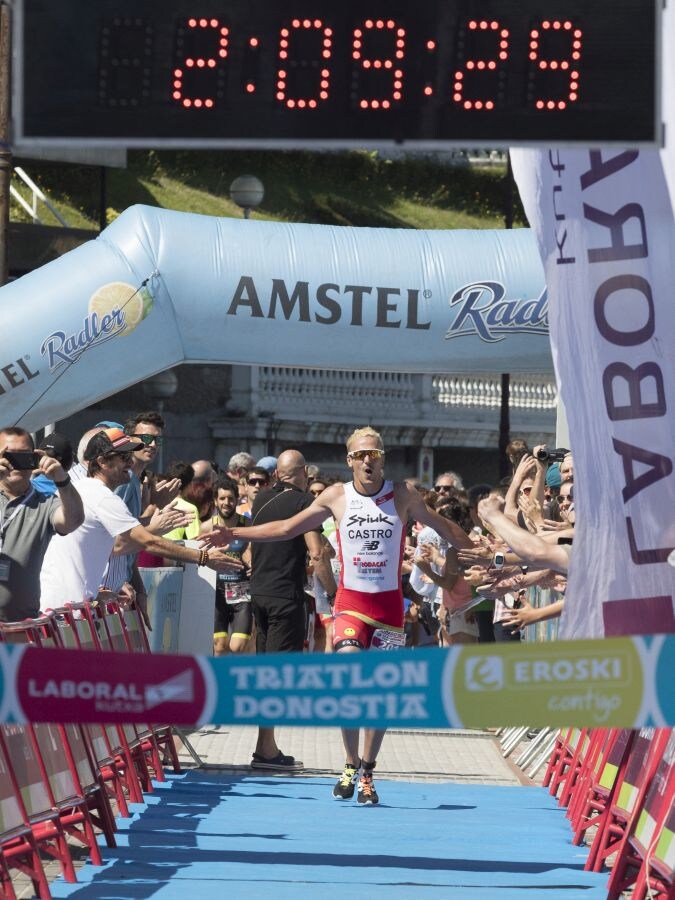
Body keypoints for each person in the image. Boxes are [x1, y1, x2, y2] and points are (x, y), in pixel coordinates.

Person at [217, 427, 472, 804]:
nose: (369, 460)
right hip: (351, 602)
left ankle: (368, 769)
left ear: (382, 458)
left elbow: (442, 525)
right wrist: (235, 532)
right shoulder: (337, 496)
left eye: (375, 454)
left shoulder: (402, 495)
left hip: (388, 608)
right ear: (349, 460)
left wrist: (476, 547)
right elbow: (288, 528)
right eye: (361, 455)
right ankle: (350, 763)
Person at [40, 428, 241, 609]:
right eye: (123, 457)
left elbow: (109, 546)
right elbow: (147, 541)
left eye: (130, 455)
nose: (130, 462)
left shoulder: (84, 489)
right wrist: (204, 558)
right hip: (67, 610)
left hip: (63, 605)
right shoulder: (102, 496)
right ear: (101, 462)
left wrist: (98, 590)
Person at [238, 449, 337, 771]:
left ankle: (265, 746)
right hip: (284, 597)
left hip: (260, 594)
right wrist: (334, 594)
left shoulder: (261, 500)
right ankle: (265, 750)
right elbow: (317, 553)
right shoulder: (303, 503)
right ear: (305, 472)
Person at [0, 427, 84, 623]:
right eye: (8, 456)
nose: (15, 465)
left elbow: (74, 520)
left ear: (35, 458)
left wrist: (62, 480)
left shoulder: (45, 503)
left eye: (23, 456)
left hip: (19, 626)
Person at [202, 477, 252, 655]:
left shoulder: (247, 524)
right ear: (215, 501)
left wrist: (251, 560)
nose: (227, 503)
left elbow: (253, 549)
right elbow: (197, 555)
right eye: (222, 498)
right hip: (216, 593)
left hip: (241, 591)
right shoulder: (207, 527)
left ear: (237, 500)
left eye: (231, 498)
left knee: (237, 647)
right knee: (219, 646)